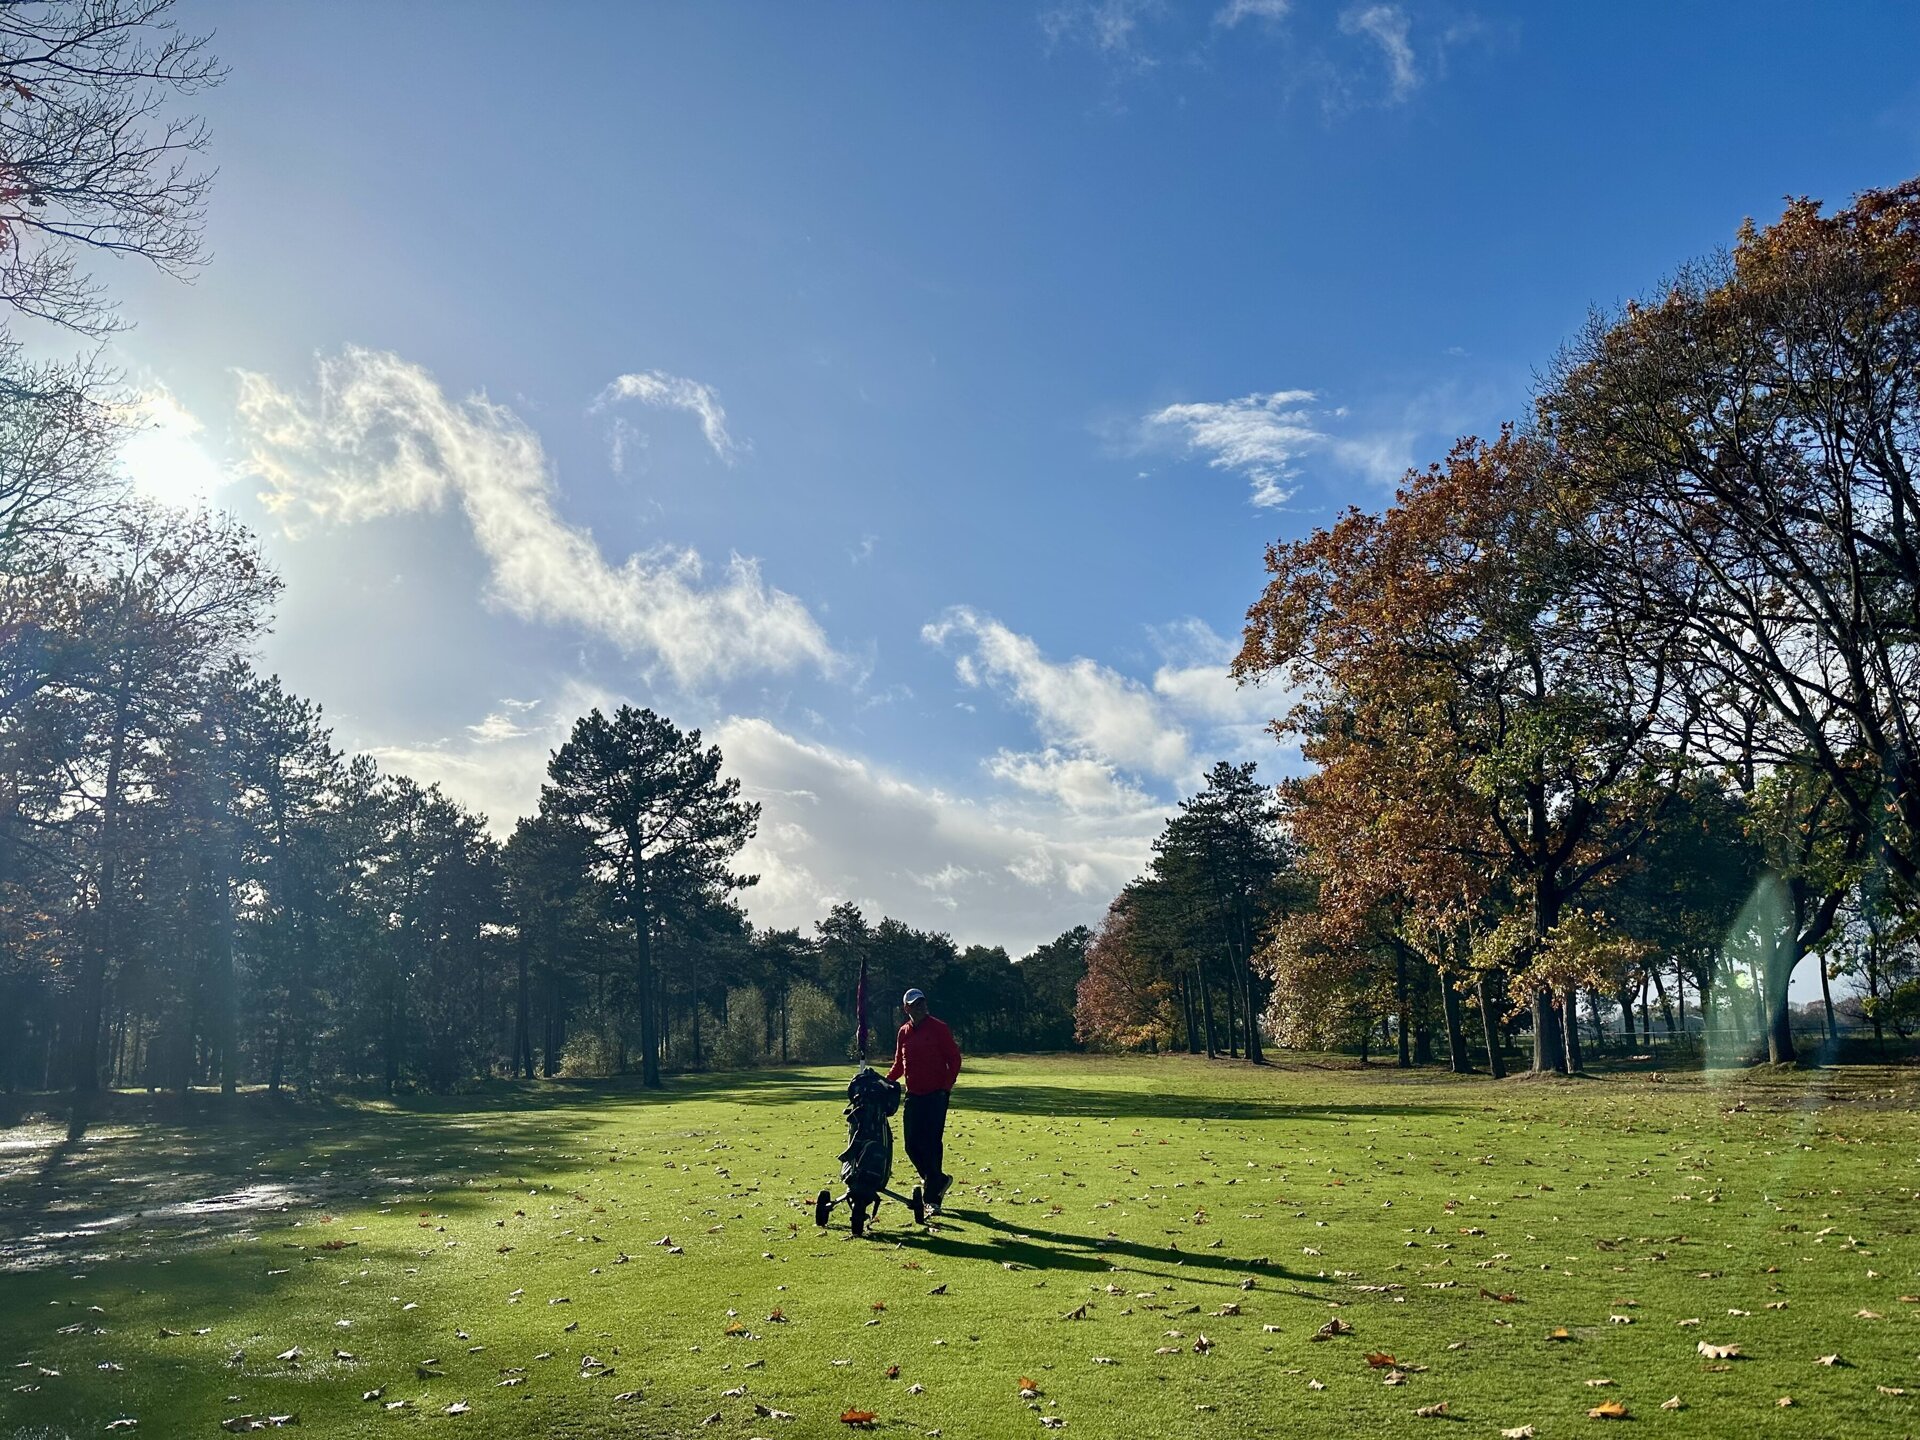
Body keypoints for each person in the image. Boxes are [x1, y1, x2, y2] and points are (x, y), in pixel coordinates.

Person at [884, 987, 961, 1210]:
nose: (921, 1007)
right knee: (911, 1145)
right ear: (906, 1008)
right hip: (913, 1095)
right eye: (915, 1004)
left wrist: (946, 1088)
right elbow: (900, 1064)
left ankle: (932, 1198)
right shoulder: (904, 1032)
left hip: (936, 1095)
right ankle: (937, 1180)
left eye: (922, 1003)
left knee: (931, 1144)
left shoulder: (939, 1028)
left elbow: (954, 1059)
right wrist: (886, 1081)